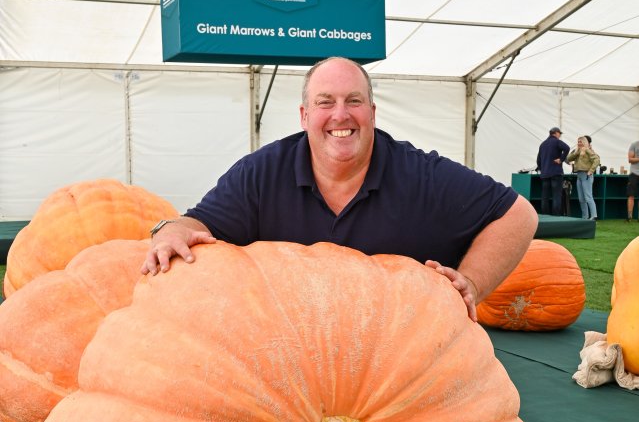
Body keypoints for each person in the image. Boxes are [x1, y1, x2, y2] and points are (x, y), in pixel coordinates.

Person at [142, 57, 537, 321]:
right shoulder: (263, 172)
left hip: (404, 363)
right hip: (290, 356)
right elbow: (199, 223)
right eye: (325, 102)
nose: (340, 115)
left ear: (372, 112)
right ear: (305, 115)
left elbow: (518, 214)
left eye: (354, 101)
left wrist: (473, 283)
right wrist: (172, 230)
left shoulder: (423, 175)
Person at [536, 127, 569, 215]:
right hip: (556, 173)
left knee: (545, 197)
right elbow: (567, 148)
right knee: (556, 196)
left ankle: (545, 216)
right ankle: (556, 216)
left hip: (545, 174)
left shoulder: (542, 144)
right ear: (556, 133)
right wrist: (561, 159)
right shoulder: (557, 141)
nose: (560, 135)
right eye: (560, 134)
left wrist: (541, 169)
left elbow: (538, 160)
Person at [566, 135, 599, 220]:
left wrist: (591, 171)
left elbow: (597, 159)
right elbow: (568, 158)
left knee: (588, 196)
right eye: (578, 142)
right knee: (581, 198)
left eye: (581, 142)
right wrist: (577, 152)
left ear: (584, 142)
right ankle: (585, 216)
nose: (579, 143)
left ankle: (594, 215)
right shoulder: (577, 151)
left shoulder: (588, 150)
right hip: (579, 175)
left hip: (586, 175)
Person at [627, 140, 639, 221]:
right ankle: (629, 217)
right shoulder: (634, 144)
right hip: (634, 173)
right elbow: (630, 159)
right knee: (631, 195)